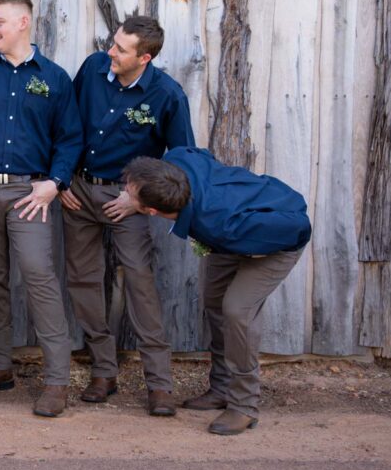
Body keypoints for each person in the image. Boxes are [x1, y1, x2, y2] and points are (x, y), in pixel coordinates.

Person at [122, 149, 312, 435]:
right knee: (213, 301)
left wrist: (251, 249)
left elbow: (294, 228)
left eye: (130, 192)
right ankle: (222, 387)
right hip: (232, 231)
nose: (125, 191)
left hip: (278, 237)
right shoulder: (178, 160)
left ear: (151, 211)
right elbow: (197, 152)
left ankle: (244, 405)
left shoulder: (219, 225)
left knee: (237, 311)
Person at [0, 0, 83, 417]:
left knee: (38, 277)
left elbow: (70, 139)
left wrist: (55, 183)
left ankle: (56, 381)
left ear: (24, 22)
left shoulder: (54, 77)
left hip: (31, 195)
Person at [63, 15, 195, 416]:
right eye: (113, 43)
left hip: (128, 200)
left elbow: (183, 161)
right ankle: (103, 370)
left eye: (120, 48)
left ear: (145, 57)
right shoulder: (92, 69)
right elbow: (67, 125)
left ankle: (160, 384)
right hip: (79, 192)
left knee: (139, 284)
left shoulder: (167, 96)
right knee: (83, 280)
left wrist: (137, 201)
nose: (111, 52)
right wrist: (63, 177)